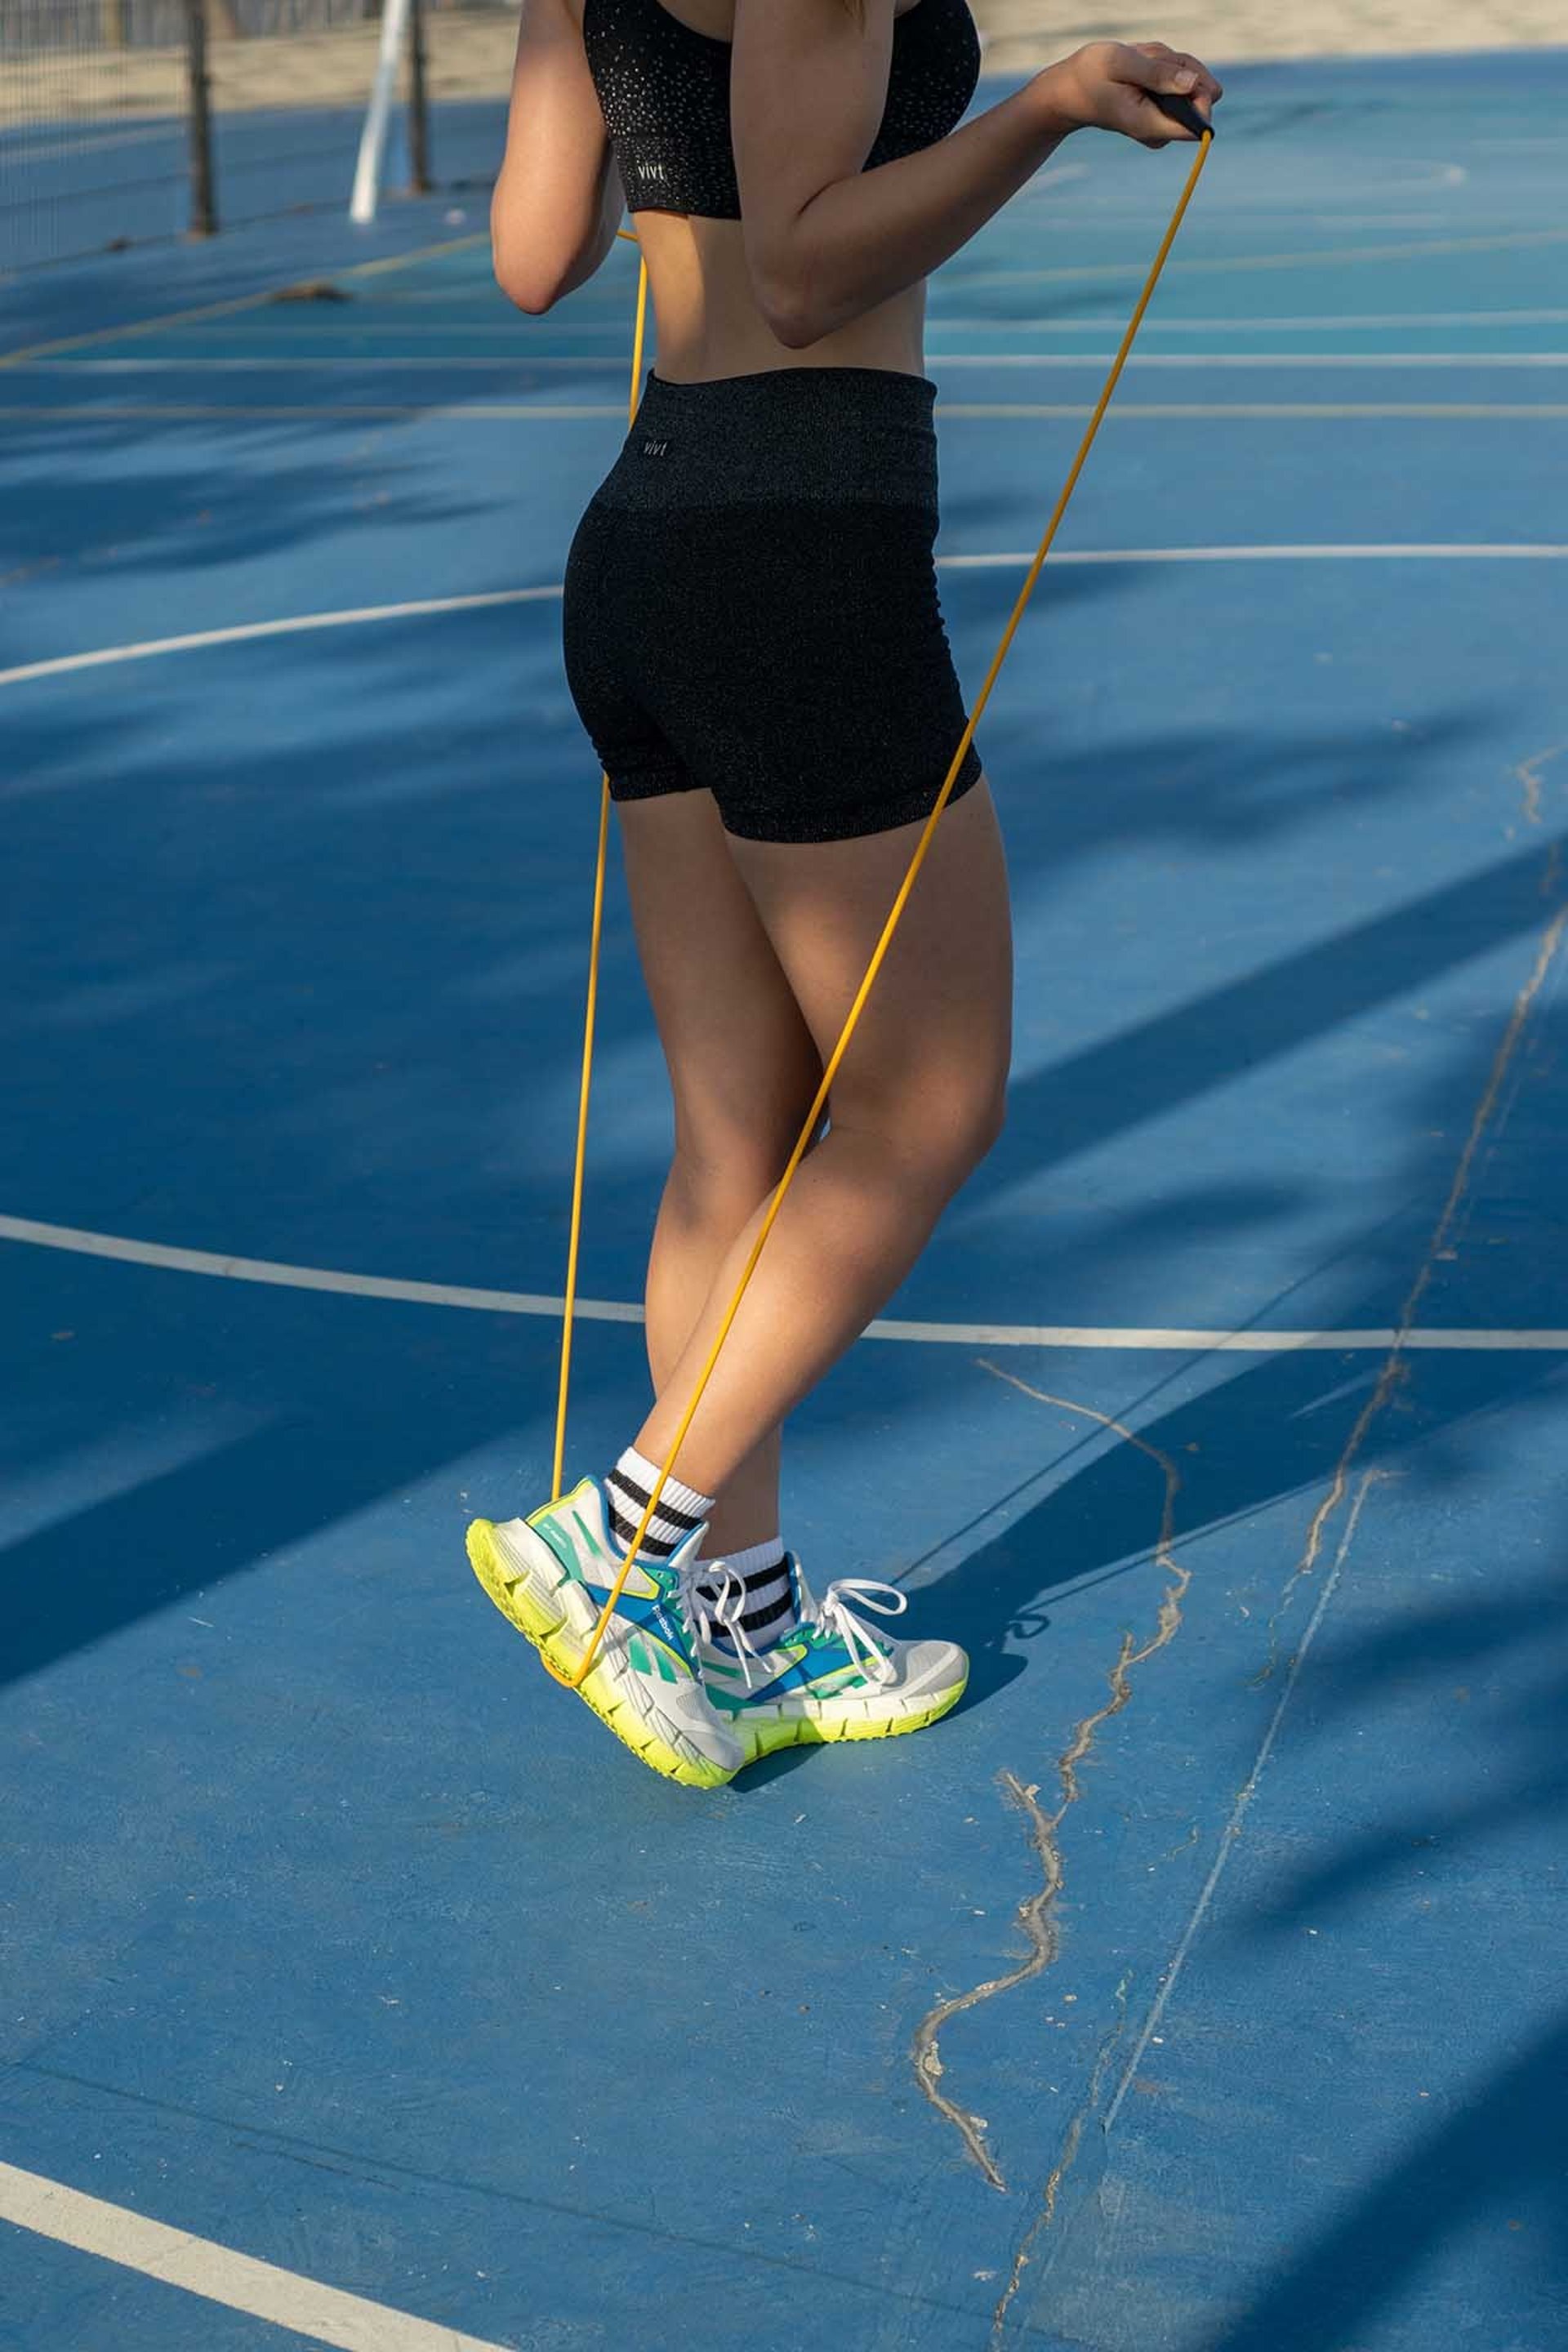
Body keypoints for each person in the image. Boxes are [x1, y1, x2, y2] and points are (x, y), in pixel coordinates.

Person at [466, 0, 1222, 1788]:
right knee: (926, 1108)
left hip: (648, 548)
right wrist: (1046, 107)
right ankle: (627, 1536)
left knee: (742, 1143)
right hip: (798, 558)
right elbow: (803, 277)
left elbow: (532, 259)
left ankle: (738, 1629)